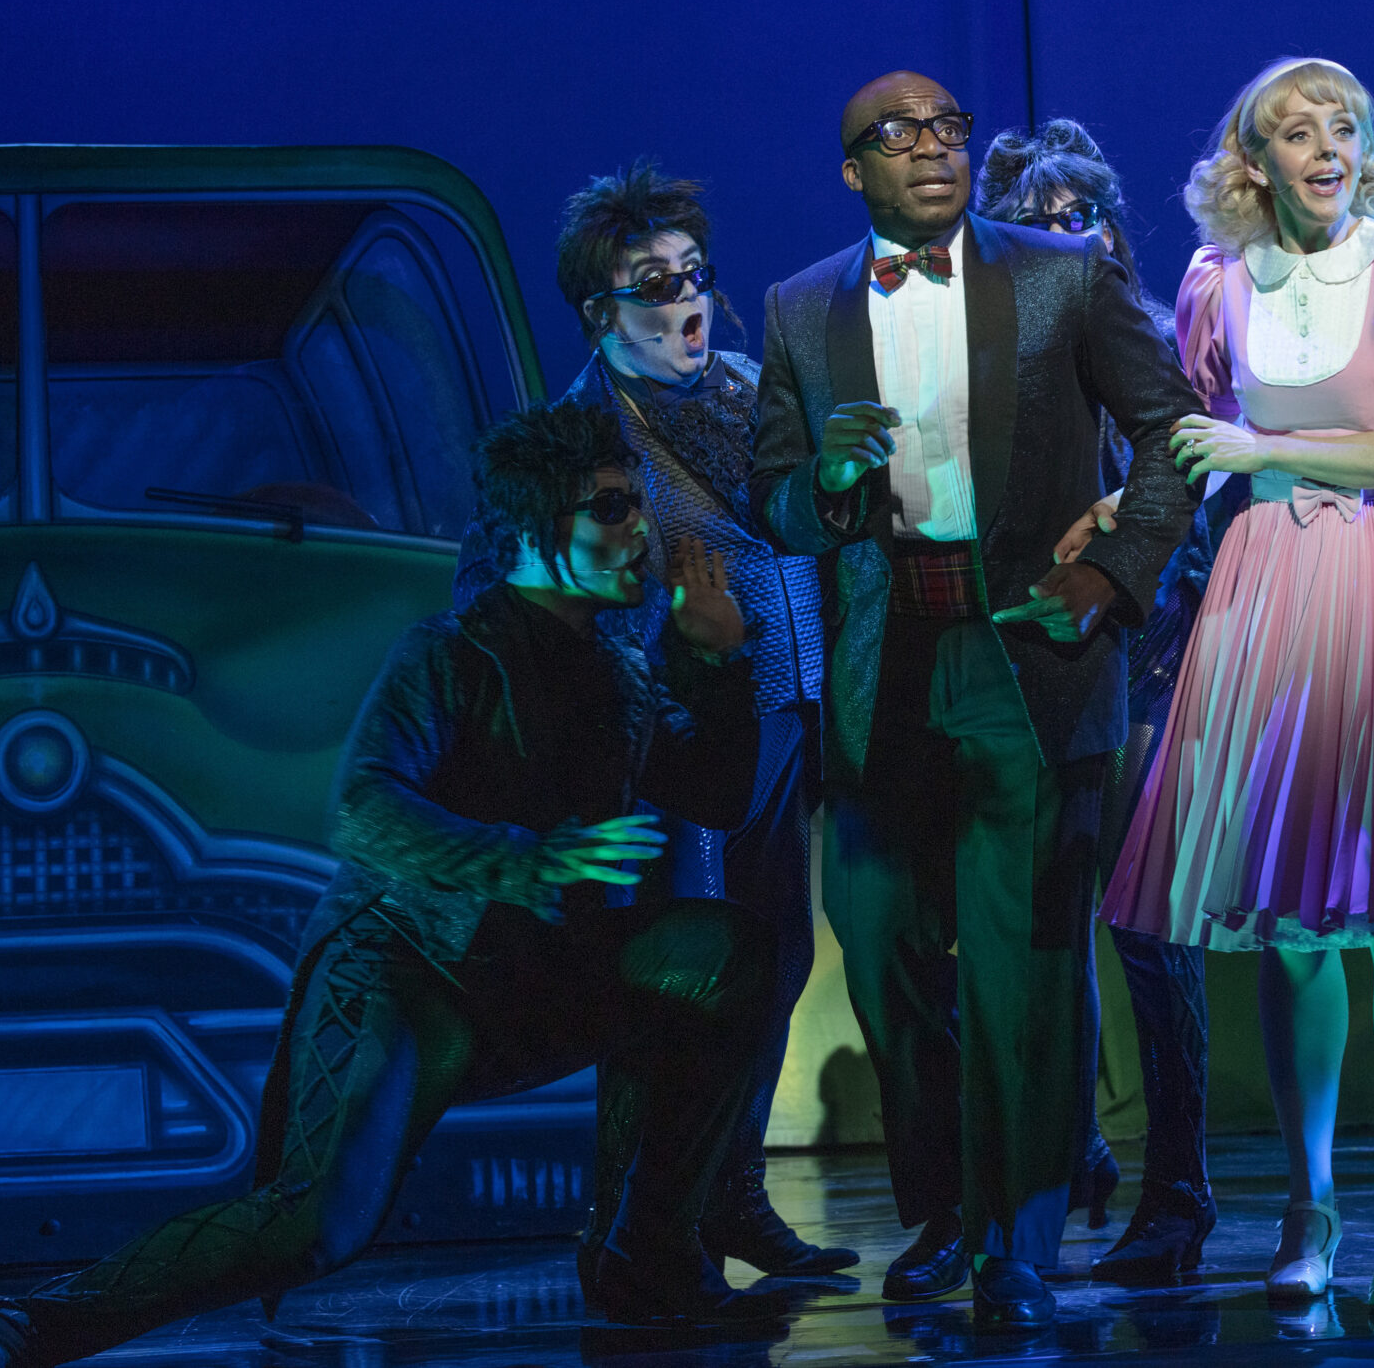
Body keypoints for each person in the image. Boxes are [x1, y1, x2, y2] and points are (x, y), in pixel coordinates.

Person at [0, 404, 778, 1368]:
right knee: (316, 1228)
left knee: (722, 955)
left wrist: (716, 660)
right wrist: (528, 858)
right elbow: (365, 809)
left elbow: (720, 795)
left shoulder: (620, 677)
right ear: (533, 528)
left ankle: (647, 1264)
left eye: (637, 504)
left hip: (533, 978)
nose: (643, 530)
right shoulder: (447, 653)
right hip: (406, 971)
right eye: (614, 508)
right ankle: (31, 1322)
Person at [1100, 57, 1374, 1312]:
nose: (1325, 148)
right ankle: (1308, 1208)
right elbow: (1193, 450)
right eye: (1296, 132)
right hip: (1270, 590)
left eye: (1341, 127)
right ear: (1252, 161)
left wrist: (1264, 445)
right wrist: (1115, 517)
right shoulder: (1216, 285)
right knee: (1294, 923)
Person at [749, 72, 1201, 1330]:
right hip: (887, 659)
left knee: (1025, 966)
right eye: (897, 136)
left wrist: (1113, 574)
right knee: (880, 939)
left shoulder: (1060, 276)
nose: (932, 149)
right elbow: (773, 502)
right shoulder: (799, 307)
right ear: (854, 170)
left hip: (1030, 653)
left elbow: (1173, 432)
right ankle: (948, 1200)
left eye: (947, 128)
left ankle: (1017, 1239)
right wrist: (824, 481)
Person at [453, 160, 848, 1277]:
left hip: (780, 719)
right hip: (668, 744)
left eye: (693, 272)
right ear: (600, 312)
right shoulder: (576, 437)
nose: (686, 299)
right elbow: (496, 602)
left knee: (774, 959)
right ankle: (635, 1228)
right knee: (682, 976)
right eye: (653, 283)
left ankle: (731, 1196)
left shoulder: (748, 388)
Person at [978, 119, 1228, 1283]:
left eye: (1082, 219)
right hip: (1046, 669)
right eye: (1040, 225)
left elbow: (1199, 475)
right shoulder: (999, 361)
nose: (1067, 239)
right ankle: (1068, 1152)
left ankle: (1177, 1197)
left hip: (1159, 657)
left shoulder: (1163, 338)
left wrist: (1130, 515)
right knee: (1049, 920)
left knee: (1145, 928)